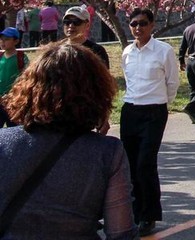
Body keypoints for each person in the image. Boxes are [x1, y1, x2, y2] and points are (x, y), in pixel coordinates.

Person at [0, 42, 136, 240]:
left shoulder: (3, 142)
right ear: (96, 93)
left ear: (28, 89)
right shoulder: (107, 152)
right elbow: (121, 232)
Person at [120, 8, 179, 238]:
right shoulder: (127, 52)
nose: (138, 28)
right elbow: (128, 80)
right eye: (134, 24)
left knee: (145, 162)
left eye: (143, 23)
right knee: (130, 164)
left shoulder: (164, 51)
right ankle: (133, 213)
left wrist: (162, 103)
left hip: (154, 111)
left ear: (152, 25)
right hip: (130, 110)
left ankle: (149, 214)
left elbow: (172, 82)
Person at [0, 27, 26, 97]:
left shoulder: (21, 57)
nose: (3, 42)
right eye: (1, 39)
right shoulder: (0, 56)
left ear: (16, 41)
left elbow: (26, 77)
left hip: (14, 97)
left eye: (7, 39)